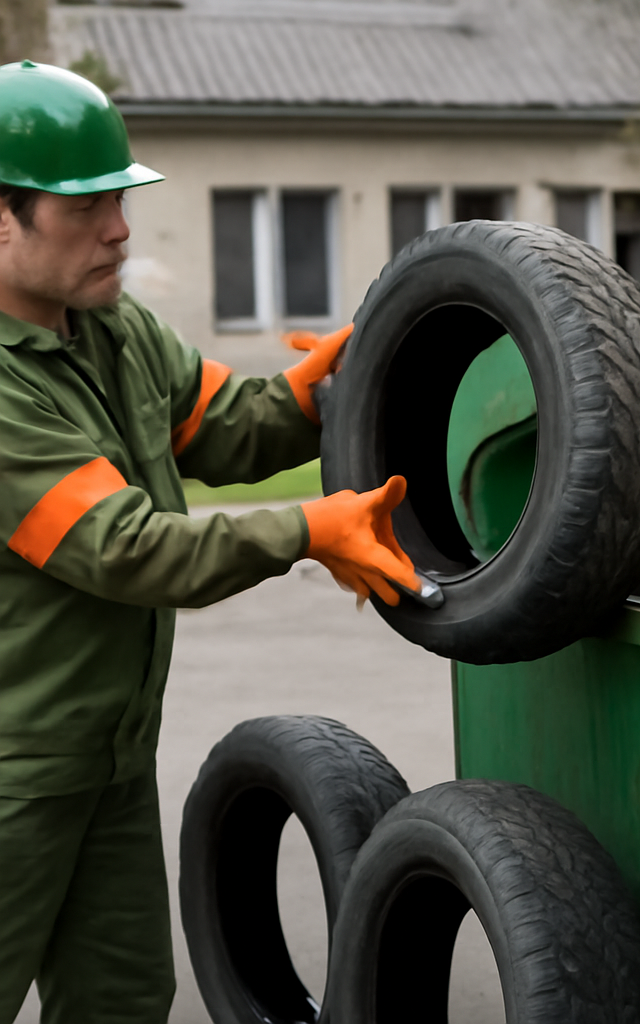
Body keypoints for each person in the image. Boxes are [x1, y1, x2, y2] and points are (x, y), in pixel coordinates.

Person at [0, 60, 421, 1024]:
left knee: (121, 1000)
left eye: (119, 198)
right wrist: (309, 530)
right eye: (87, 206)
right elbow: (127, 549)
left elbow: (226, 427)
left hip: (105, 762)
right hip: (13, 773)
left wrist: (312, 396)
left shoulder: (112, 329)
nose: (120, 229)